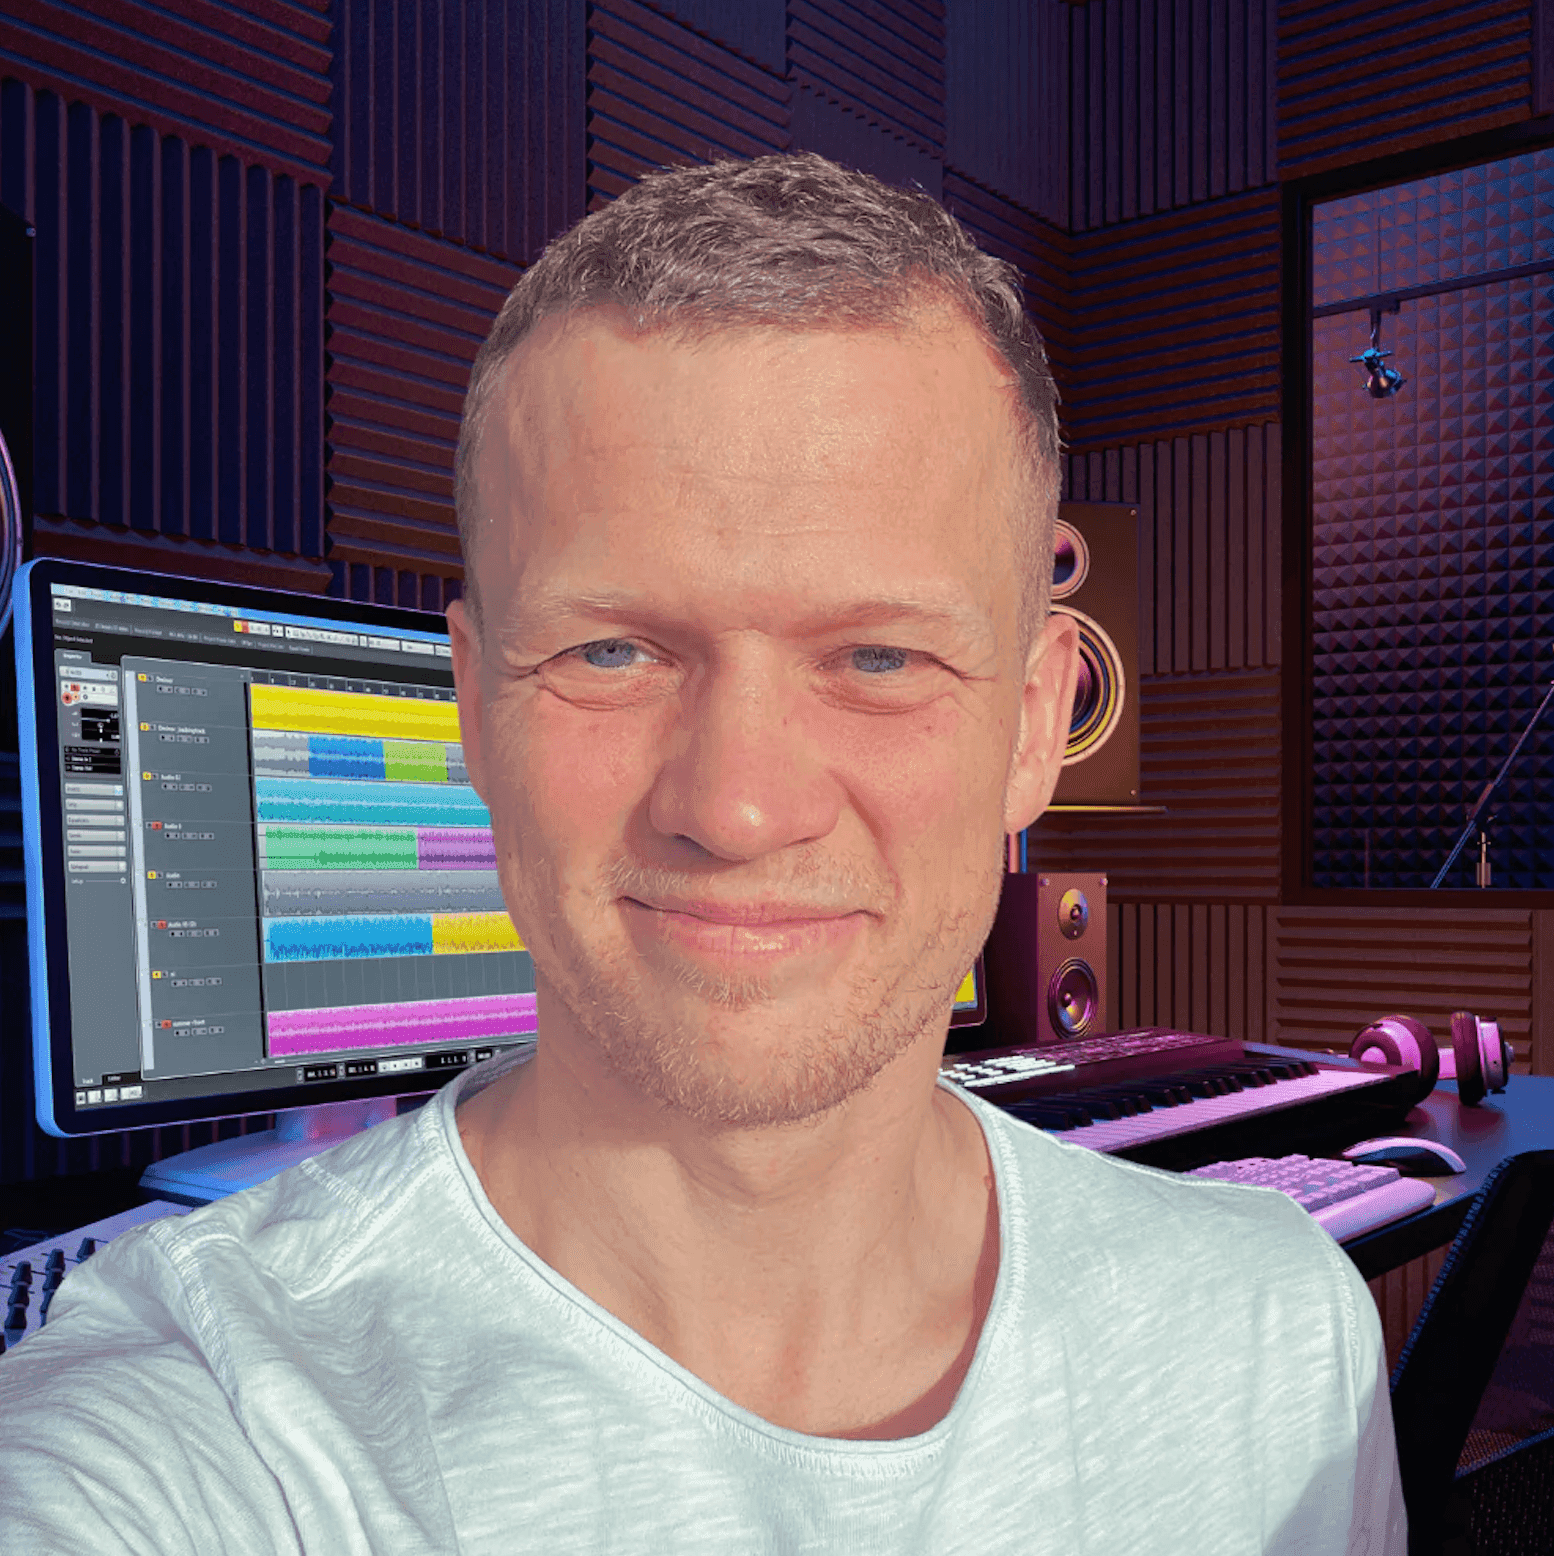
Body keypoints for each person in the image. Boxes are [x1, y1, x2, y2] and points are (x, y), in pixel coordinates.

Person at [0, 152, 1405, 1554]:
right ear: (473, 708)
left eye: (878, 656)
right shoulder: (201, 1429)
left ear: (1037, 727)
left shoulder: (1282, 1335)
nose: (737, 807)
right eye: (611, 651)